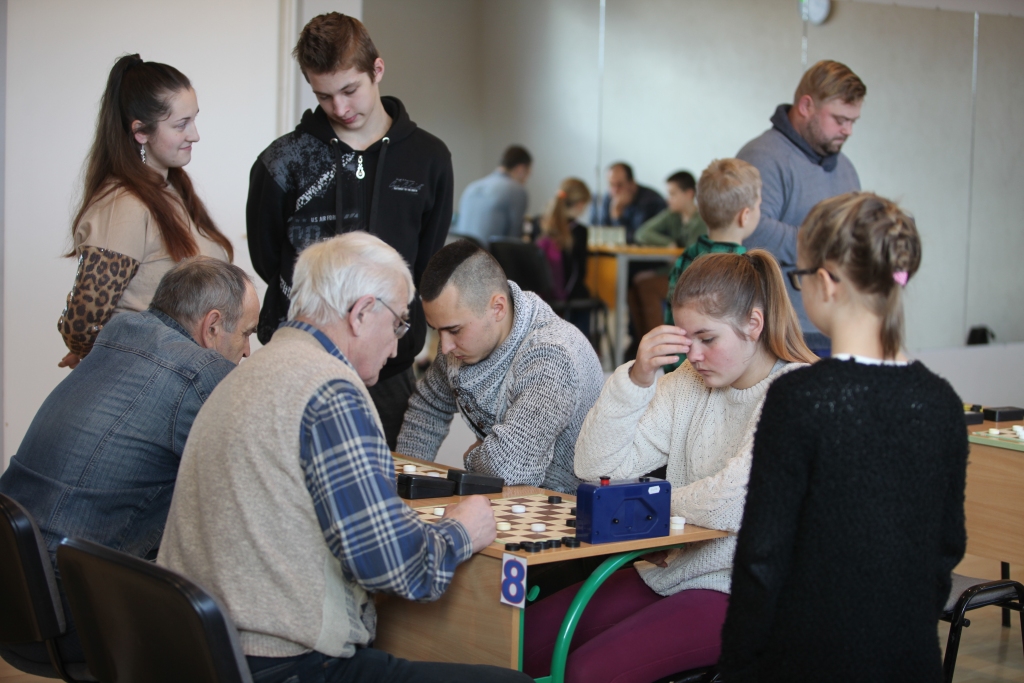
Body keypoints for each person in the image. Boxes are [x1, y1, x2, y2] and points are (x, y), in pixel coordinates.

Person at [158, 233, 529, 683]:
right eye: (397, 326)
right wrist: (461, 531)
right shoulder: (331, 391)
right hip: (278, 663)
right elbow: (400, 570)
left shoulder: (249, 371)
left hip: (196, 652)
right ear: (361, 313)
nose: (396, 348)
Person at [523, 250, 817, 683]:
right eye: (685, 339)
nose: (693, 355)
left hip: (748, 592)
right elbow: (596, 466)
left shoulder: (795, 390)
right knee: (524, 639)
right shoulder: (689, 382)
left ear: (754, 324)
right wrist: (638, 378)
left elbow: (732, 504)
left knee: (588, 672)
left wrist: (646, 505)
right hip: (673, 569)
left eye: (707, 338)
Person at [719, 193, 968, 682]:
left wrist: (738, 663)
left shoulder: (802, 398)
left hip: (809, 657)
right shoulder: (940, 401)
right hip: (911, 656)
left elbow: (762, 557)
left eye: (800, 277)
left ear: (827, 283)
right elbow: (946, 547)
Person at [0, 257, 259, 667]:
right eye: (246, 333)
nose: (248, 351)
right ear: (212, 327)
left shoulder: (120, 330)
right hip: (69, 613)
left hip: (16, 597)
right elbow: (260, 481)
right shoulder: (202, 372)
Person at [247, 12, 454, 449]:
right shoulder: (282, 161)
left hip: (389, 364)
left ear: (376, 70)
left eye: (349, 90)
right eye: (324, 96)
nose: (340, 109)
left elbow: (426, 259)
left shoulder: (429, 158)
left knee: (387, 497)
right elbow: (268, 258)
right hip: (296, 362)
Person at [58, 54, 234, 369]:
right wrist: (103, 355)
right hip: (158, 382)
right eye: (181, 124)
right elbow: (82, 326)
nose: (195, 135)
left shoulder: (172, 189)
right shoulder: (125, 205)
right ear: (141, 131)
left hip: (187, 376)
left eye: (194, 119)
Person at [396, 240, 604, 495]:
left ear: (498, 308)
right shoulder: (460, 348)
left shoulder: (553, 356)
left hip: (579, 507)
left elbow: (509, 469)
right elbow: (429, 405)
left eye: (454, 330)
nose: (445, 346)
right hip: (519, 500)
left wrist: (474, 458)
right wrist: (405, 482)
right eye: (437, 330)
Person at [737, 59, 865, 356]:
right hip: (784, 330)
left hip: (838, 325)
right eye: (839, 119)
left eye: (853, 121)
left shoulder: (846, 168)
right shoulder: (762, 157)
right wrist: (826, 244)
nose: (848, 130)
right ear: (806, 106)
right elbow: (751, 231)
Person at [661, 158, 762, 372]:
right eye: (759, 206)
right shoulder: (747, 268)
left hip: (677, 367)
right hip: (725, 374)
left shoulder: (686, 257)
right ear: (745, 216)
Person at [457, 145, 532, 243]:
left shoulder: (472, 187)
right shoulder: (517, 190)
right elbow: (513, 240)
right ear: (520, 169)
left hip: (462, 255)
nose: (525, 180)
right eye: (527, 174)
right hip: (489, 256)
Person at [536, 177, 591, 303]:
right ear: (580, 204)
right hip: (567, 296)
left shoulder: (538, 223)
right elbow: (581, 272)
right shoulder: (580, 231)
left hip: (540, 296)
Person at [590, 162, 666, 244]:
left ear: (632, 184)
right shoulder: (608, 197)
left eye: (620, 185)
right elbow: (601, 234)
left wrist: (617, 215)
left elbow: (636, 238)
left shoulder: (651, 200)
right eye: (611, 185)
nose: (615, 190)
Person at [635, 170, 707, 248]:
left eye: (672, 194)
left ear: (689, 194)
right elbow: (642, 233)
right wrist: (669, 243)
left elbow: (693, 254)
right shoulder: (671, 215)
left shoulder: (703, 220)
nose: (668, 200)